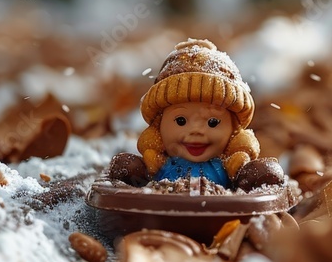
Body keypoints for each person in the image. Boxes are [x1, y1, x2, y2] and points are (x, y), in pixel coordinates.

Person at [108, 38, 285, 191]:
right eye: (181, 120)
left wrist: (253, 178)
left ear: (234, 131)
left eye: (213, 122)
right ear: (158, 127)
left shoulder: (226, 170)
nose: (196, 131)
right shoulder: (158, 168)